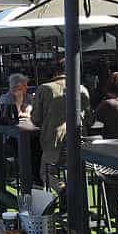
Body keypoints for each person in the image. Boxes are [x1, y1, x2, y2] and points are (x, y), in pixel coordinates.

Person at [31, 64, 91, 193]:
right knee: (76, 172)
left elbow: (36, 119)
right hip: (79, 139)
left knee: (46, 173)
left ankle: (62, 190)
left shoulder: (44, 89)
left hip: (54, 139)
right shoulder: (82, 89)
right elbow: (89, 118)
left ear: (55, 72)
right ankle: (75, 203)